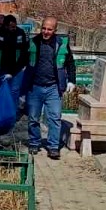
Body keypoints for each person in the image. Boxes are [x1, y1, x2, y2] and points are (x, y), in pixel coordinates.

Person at [21, 17, 75, 160]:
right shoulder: (33, 42)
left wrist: (71, 81)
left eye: (49, 29)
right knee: (33, 118)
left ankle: (53, 147)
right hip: (35, 87)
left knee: (55, 118)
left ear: (55, 30)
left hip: (53, 88)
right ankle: (34, 142)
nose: (46, 31)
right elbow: (21, 61)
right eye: (44, 28)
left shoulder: (62, 44)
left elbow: (70, 63)